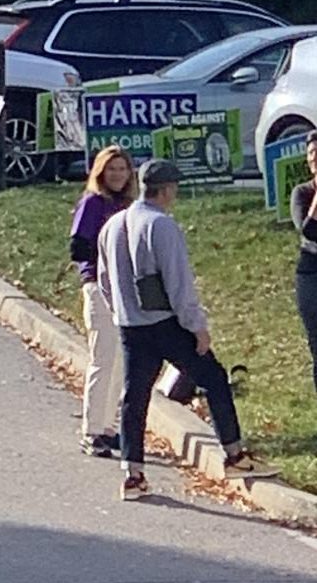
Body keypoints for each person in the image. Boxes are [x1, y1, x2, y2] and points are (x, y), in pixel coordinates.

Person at [100, 158, 269, 500]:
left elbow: (105, 280)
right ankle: (235, 454)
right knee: (214, 378)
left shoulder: (114, 225)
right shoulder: (161, 225)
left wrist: (120, 310)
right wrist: (197, 328)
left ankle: (133, 474)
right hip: (166, 323)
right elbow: (179, 285)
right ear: (166, 190)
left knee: (135, 396)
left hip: (130, 324)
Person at [69, 146, 134, 457]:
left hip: (124, 289)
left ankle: (109, 428)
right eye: (112, 169)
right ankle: (91, 430)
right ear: (100, 172)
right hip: (98, 286)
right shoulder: (93, 203)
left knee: (120, 360)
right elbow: (78, 247)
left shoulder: (128, 205)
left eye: (122, 169)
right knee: (102, 357)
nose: (118, 175)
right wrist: (106, 259)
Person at [290, 134, 317, 395]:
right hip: (312, 275)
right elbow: (309, 230)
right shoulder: (303, 193)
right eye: (311, 155)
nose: (315, 159)